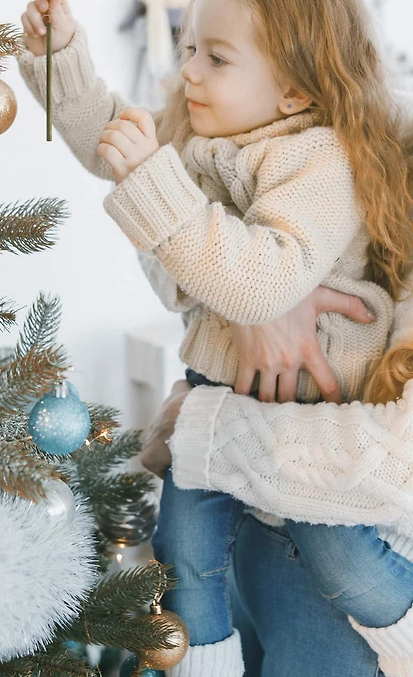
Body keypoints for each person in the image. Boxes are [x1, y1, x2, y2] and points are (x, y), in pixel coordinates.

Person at [17, 0, 413, 676]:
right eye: (189, 46)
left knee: (334, 556)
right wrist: (61, 62)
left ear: (294, 91)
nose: (189, 70)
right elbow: (113, 136)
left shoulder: (320, 160)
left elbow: (263, 282)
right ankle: (204, 664)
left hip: (307, 417)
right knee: (182, 550)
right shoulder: (208, 139)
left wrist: (155, 180)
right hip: (216, 392)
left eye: (217, 57)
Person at [140, 281, 413, 676]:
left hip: (369, 572)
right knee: (186, 571)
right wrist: (254, 297)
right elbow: (172, 263)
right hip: (255, 517)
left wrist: (199, 426)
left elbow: (400, 461)